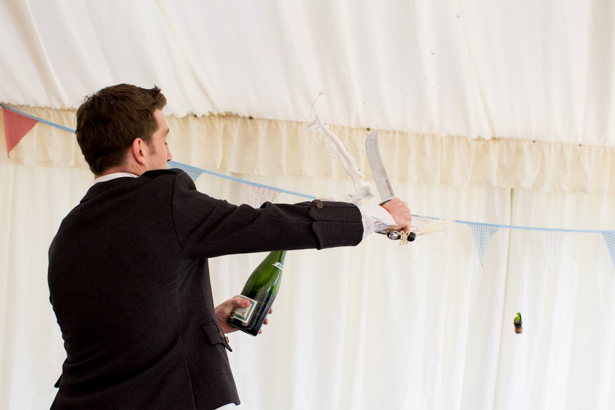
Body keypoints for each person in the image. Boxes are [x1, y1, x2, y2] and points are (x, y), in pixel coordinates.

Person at [48, 84, 411, 410]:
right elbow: (264, 225)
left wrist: (208, 323)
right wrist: (374, 215)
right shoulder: (162, 198)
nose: (170, 154)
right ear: (140, 149)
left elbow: (120, 330)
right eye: (165, 139)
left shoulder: (67, 234)